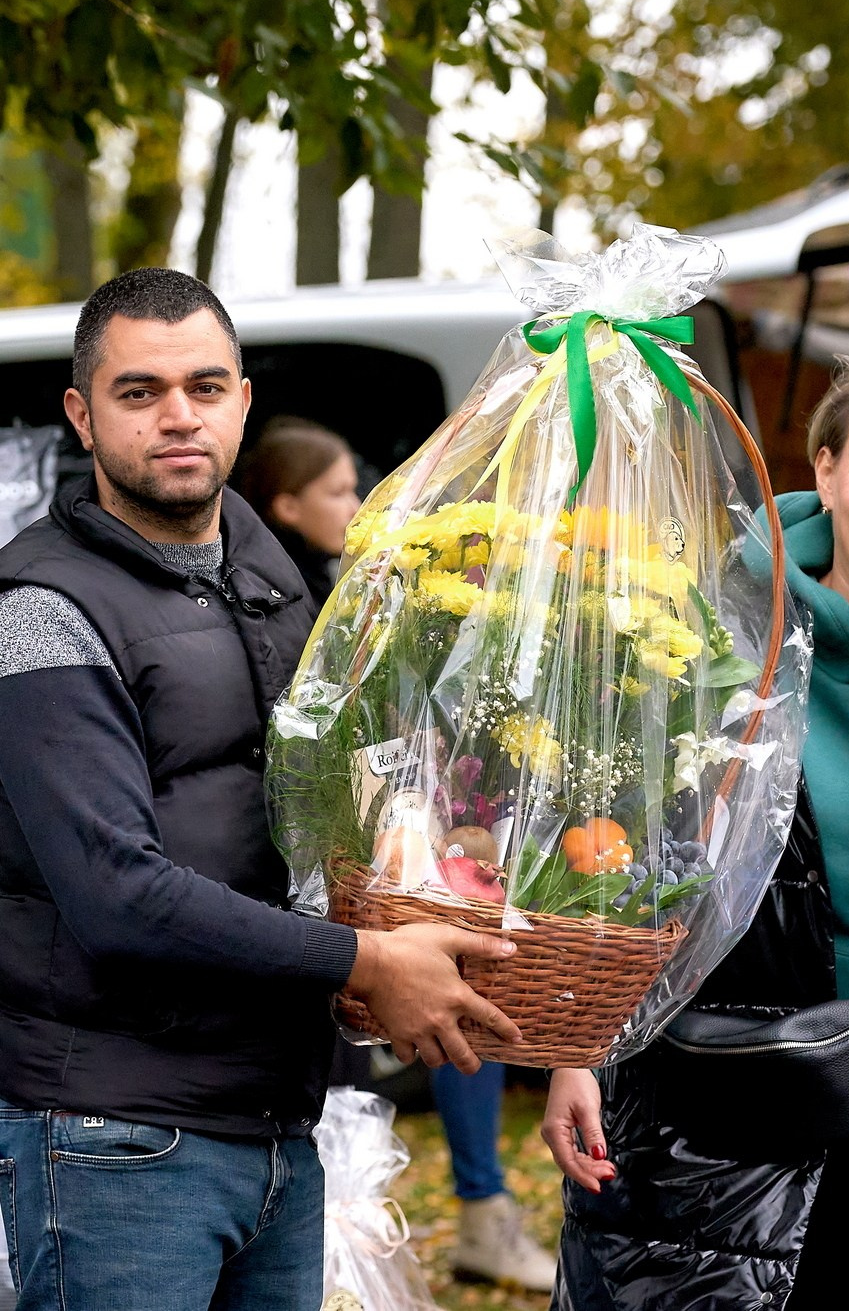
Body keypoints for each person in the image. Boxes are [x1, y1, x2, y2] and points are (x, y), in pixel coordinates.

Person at [0, 267, 524, 1311]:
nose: (178, 416)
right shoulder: (34, 612)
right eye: (139, 392)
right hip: (115, 1134)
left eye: (205, 388)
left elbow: (306, 821)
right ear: (81, 414)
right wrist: (367, 958)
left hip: (273, 1122)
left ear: (242, 402)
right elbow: (116, 894)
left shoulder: (266, 578)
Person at [544, 354, 849, 1310]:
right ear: (825, 470)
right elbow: (610, 852)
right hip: (709, 1102)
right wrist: (580, 1045)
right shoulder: (703, 640)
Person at [237, 416, 558, 1292]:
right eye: (340, 490)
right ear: (286, 504)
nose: (357, 503)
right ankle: (444, 1218)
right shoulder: (302, 605)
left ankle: (466, 1212)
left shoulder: (359, 593)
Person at [235, 418, 362, 609]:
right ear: (288, 508)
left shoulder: (317, 570)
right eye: (338, 493)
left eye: (353, 490)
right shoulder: (274, 590)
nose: (356, 508)